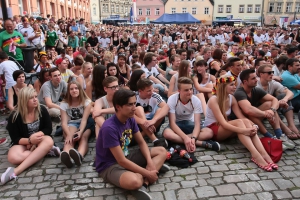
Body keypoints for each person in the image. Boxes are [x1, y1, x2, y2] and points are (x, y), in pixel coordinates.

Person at [95, 89, 168, 200]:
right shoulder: (109, 128)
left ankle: (146, 183)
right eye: (130, 104)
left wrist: (149, 162)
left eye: (135, 103)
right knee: (135, 182)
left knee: (162, 150)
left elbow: (141, 142)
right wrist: (147, 173)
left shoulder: (130, 118)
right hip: (110, 165)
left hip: (126, 156)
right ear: (118, 107)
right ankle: (147, 174)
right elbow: (121, 161)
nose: (134, 107)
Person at [204, 75, 277, 172]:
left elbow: (241, 117)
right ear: (223, 87)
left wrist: (253, 125)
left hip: (226, 126)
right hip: (214, 128)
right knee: (240, 123)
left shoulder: (231, 98)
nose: (235, 87)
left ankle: (264, 154)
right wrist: (245, 130)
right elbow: (223, 123)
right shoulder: (214, 100)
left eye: (234, 85)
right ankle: (255, 155)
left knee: (245, 121)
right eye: (231, 85)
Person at [145, 77, 220, 152]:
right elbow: (172, 123)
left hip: (190, 123)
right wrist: (186, 138)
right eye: (186, 90)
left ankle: (176, 141)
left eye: (191, 89)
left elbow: (197, 124)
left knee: (209, 132)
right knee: (167, 134)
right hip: (177, 124)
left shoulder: (196, 100)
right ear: (179, 91)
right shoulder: (172, 99)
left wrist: (193, 138)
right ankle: (200, 143)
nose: (190, 92)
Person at [1, 87, 54, 185]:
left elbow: (48, 129)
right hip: (24, 141)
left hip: (41, 139)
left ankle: (15, 171)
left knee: (49, 141)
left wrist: (36, 136)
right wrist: (30, 141)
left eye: (35, 97)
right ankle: (44, 151)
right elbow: (15, 138)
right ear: (24, 100)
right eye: (31, 98)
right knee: (13, 158)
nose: (35, 99)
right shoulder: (14, 116)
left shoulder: (42, 109)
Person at [234, 69, 294, 150]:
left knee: (269, 104)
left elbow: (274, 99)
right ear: (245, 81)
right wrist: (266, 114)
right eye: (253, 79)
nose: (256, 80)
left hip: (254, 117)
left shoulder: (255, 90)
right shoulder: (239, 92)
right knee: (251, 112)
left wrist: (271, 110)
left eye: (256, 77)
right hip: (242, 121)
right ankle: (269, 137)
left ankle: (279, 135)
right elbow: (248, 110)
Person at [60, 81, 92, 168]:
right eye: (71, 89)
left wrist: (80, 131)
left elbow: (84, 120)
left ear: (80, 90)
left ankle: (79, 155)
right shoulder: (64, 104)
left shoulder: (86, 102)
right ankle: (66, 156)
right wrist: (69, 134)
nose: (74, 91)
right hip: (72, 123)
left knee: (83, 138)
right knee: (69, 139)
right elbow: (64, 122)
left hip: (85, 123)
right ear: (68, 91)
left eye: (76, 88)